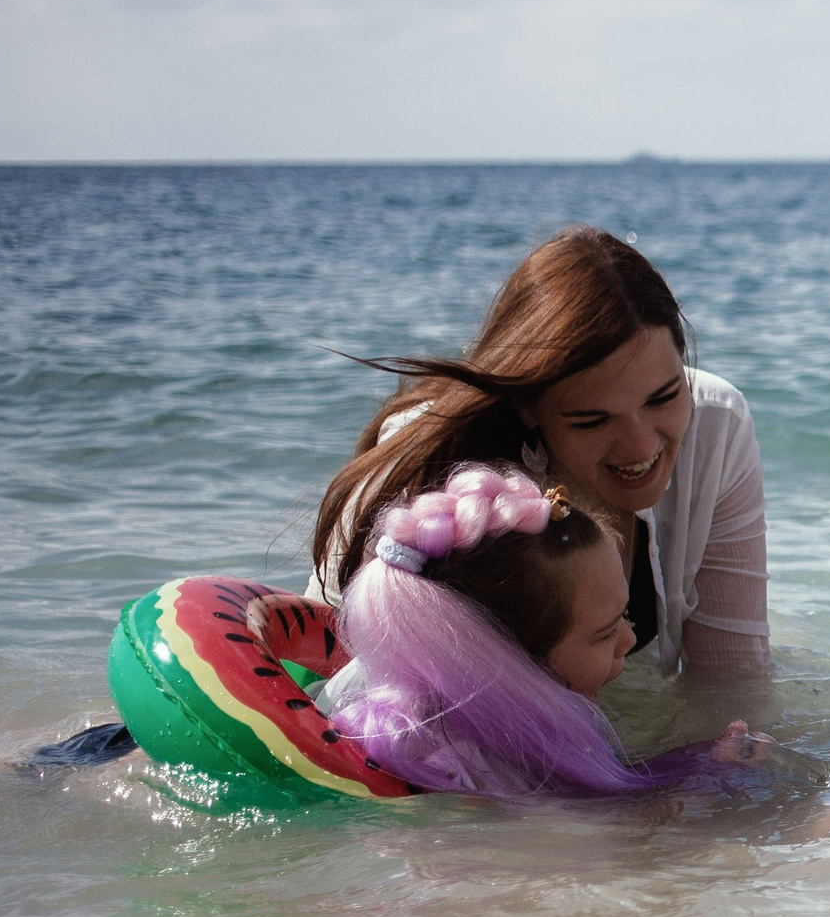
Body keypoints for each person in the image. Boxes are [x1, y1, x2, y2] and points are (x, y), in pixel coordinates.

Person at [310, 226, 768, 674]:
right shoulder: (424, 458)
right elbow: (323, 660)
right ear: (528, 406)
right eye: (592, 420)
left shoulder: (716, 423)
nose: (642, 446)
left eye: (664, 397)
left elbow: (731, 679)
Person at [253, 466, 765, 796]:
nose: (630, 643)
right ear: (504, 659)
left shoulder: (421, 707)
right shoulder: (462, 766)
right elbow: (584, 835)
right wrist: (704, 779)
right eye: (605, 633)